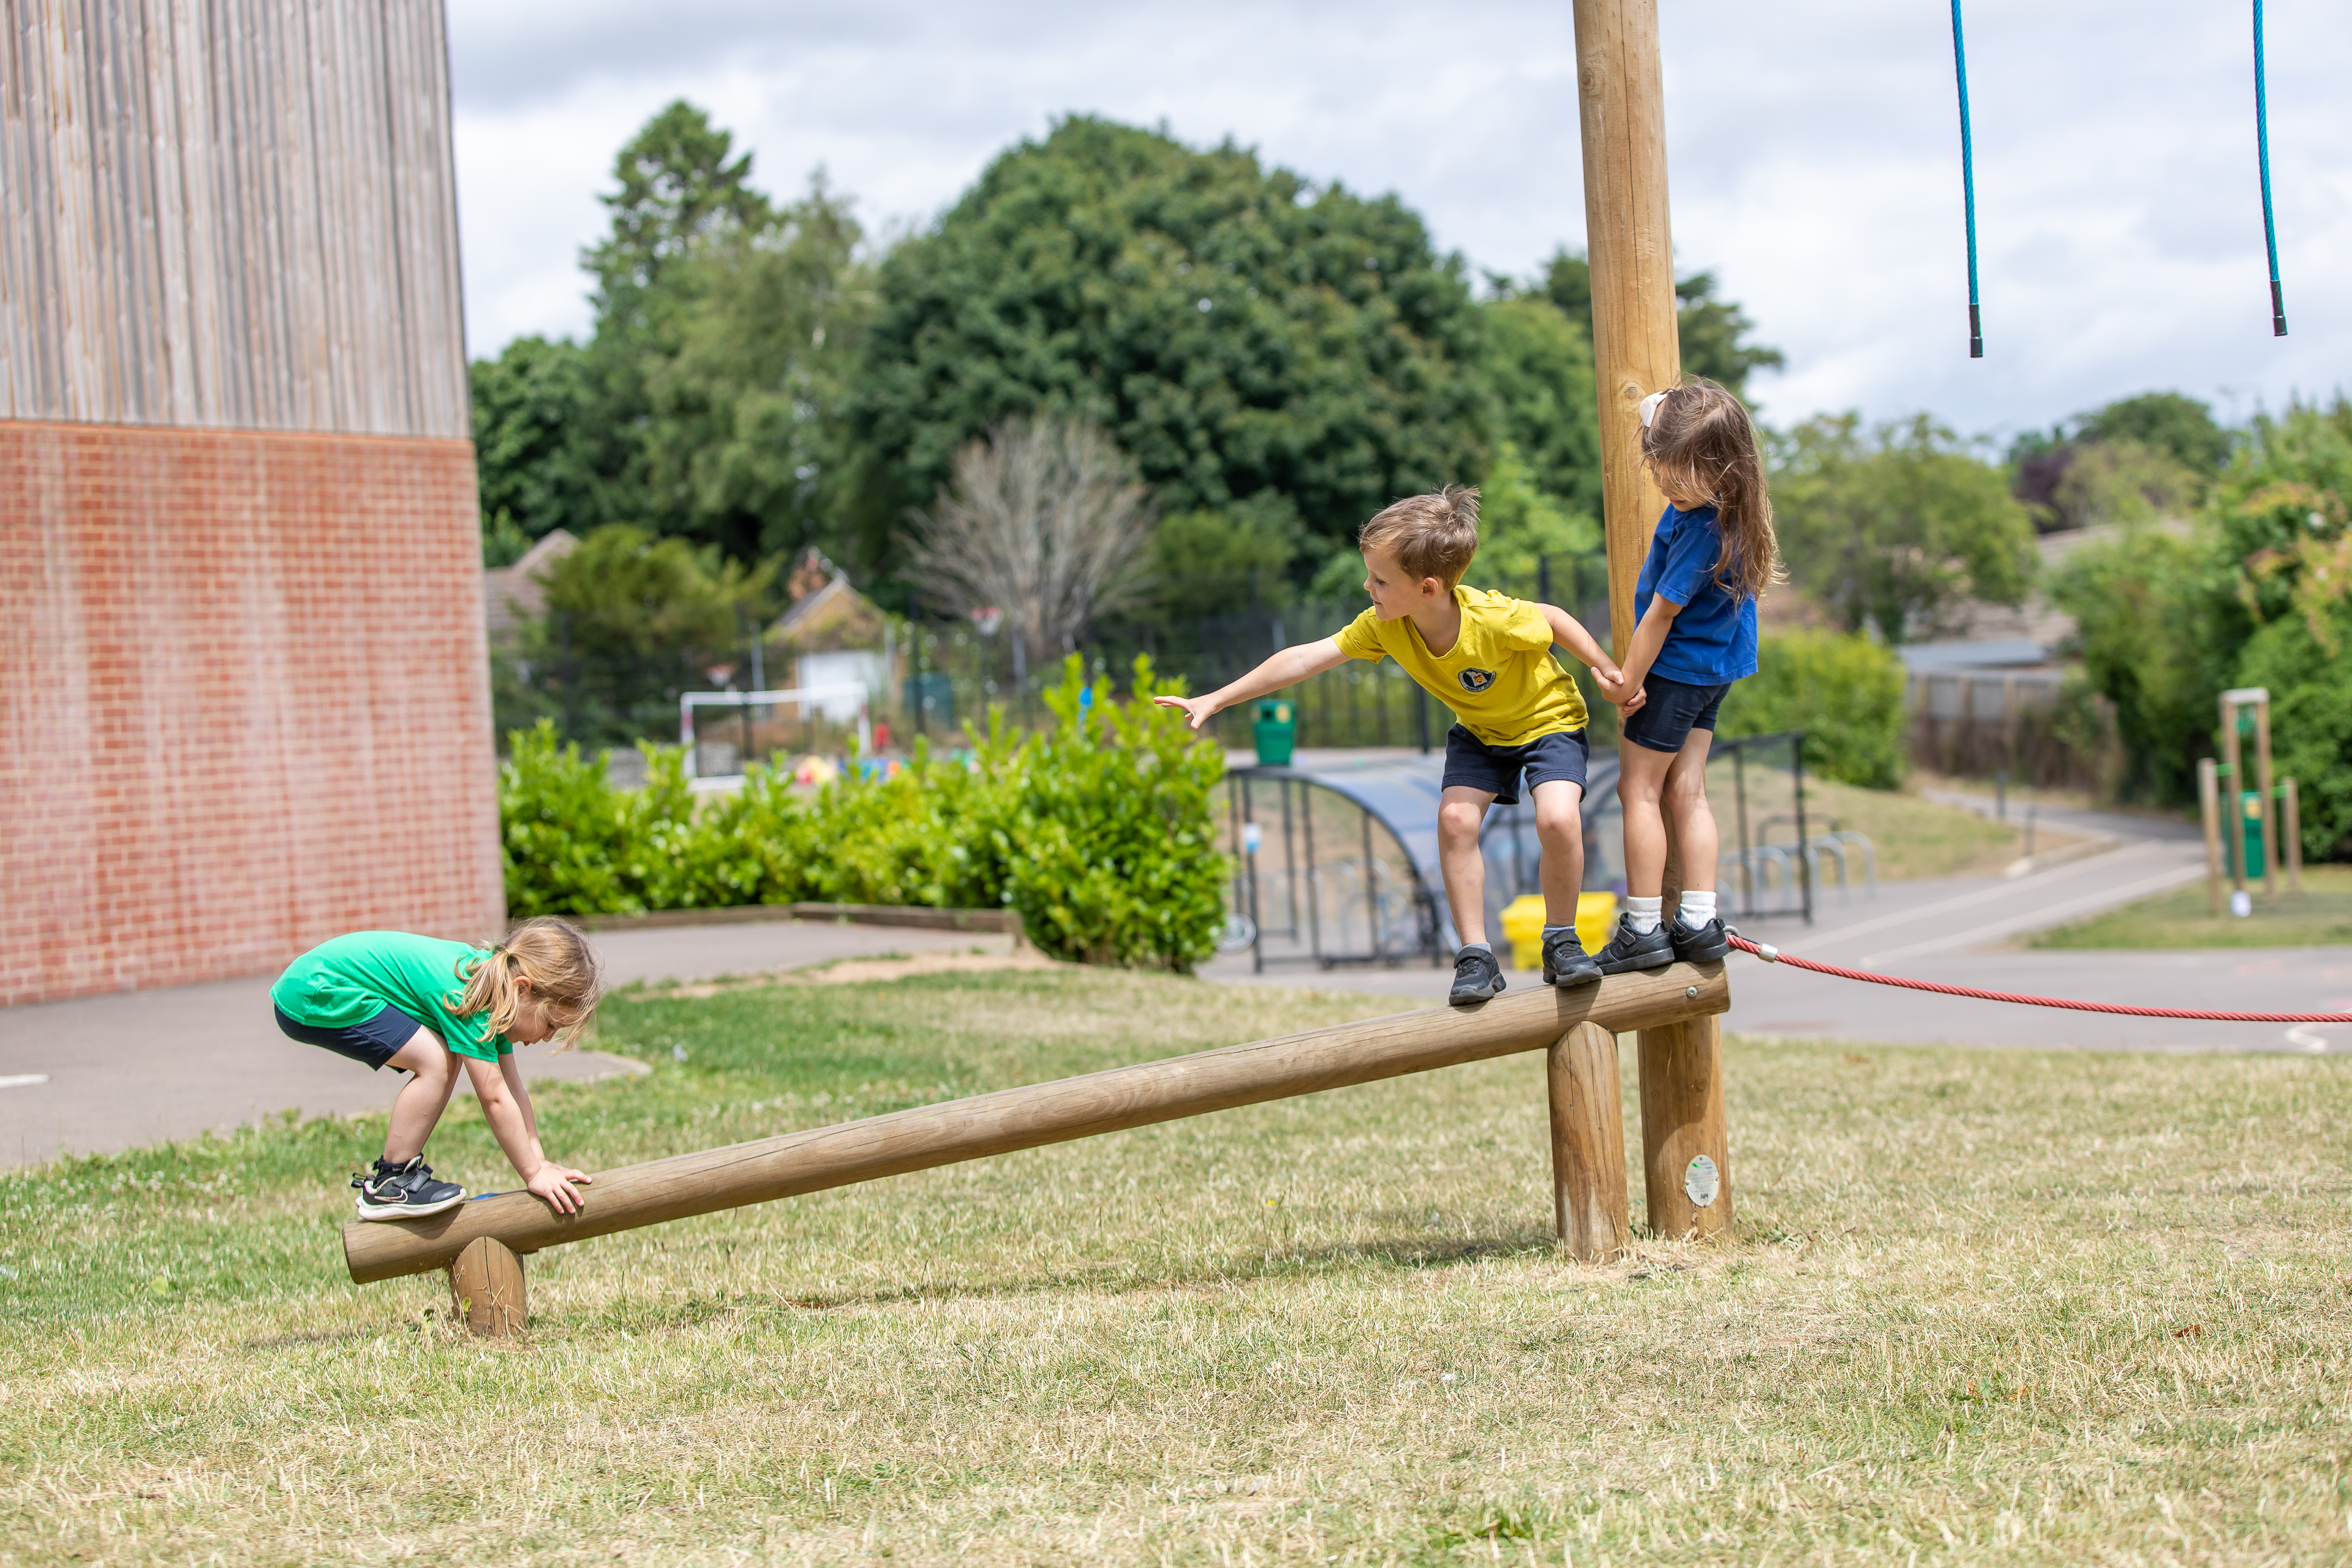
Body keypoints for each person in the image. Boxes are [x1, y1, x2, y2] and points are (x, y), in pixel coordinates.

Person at [1156, 486, 1634, 1005]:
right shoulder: (1384, 628)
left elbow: (1556, 618)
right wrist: (1219, 698)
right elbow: (1304, 659)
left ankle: (1561, 939)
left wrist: (1604, 668)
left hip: (1547, 721)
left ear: (1428, 588)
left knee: (1558, 820)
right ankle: (1476, 954)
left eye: (1380, 580)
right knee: (1455, 821)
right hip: (1480, 731)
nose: (1368, 588)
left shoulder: (1493, 619)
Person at [1591, 379, 1784, 974]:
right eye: (1661, 471)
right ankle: (1699, 918)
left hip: (1674, 670)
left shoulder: (1702, 526)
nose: (1666, 485)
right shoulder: (1732, 512)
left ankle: (1644, 925)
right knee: (1687, 788)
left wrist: (1628, 683)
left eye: (1679, 475)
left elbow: (1660, 613)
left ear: (1722, 467)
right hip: (1713, 670)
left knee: (1639, 790)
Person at [270, 918, 601, 1221]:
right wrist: (532, 1174)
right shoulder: (470, 996)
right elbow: (494, 1099)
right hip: (316, 989)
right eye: (549, 1024)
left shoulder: (494, 990)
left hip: (318, 982)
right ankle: (391, 1182)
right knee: (437, 1061)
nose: (546, 1037)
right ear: (523, 989)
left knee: (441, 1058)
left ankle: (395, 1176)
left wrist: (540, 1162)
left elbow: (513, 1091)